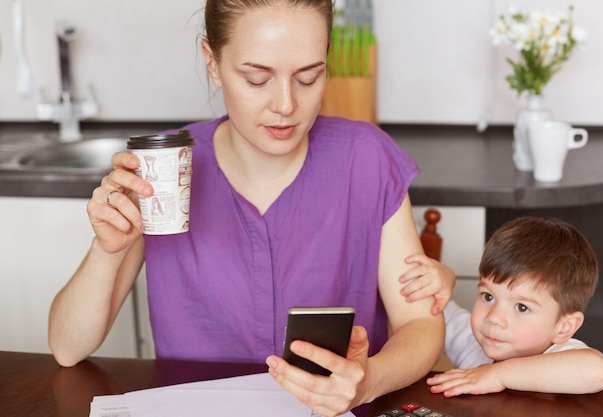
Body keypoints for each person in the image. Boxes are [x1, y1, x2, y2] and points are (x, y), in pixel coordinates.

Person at [48, 1, 456, 416]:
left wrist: (368, 381)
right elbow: (67, 348)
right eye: (257, 79)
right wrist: (106, 250)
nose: (285, 104)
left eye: (308, 77)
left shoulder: (366, 159)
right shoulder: (164, 170)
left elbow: (420, 324)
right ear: (212, 62)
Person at [401, 216, 603, 396]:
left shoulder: (560, 353)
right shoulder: (471, 341)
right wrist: (443, 278)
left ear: (564, 327)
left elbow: (597, 371)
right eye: (488, 296)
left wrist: (498, 375)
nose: (493, 317)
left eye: (522, 307)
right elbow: (434, 307)